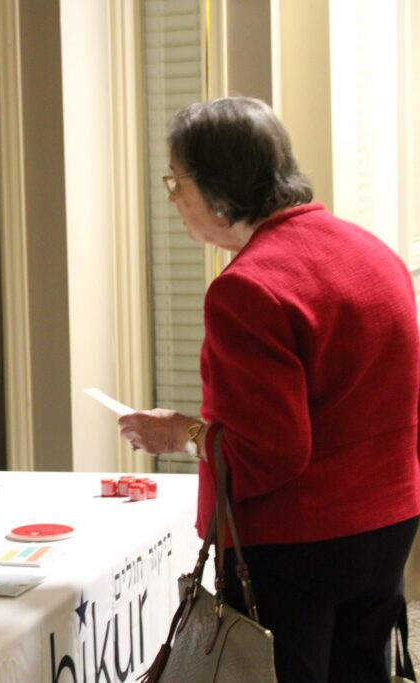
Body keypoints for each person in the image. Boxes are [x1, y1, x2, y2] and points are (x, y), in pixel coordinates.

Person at [118, 96, 420, 681]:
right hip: (388, 525)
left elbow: (269, 453)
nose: (174, 198)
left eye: (177, 181)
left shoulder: (248, 289)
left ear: (219, 190)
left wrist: (180, 433)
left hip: (296, 543)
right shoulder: (372, 250)